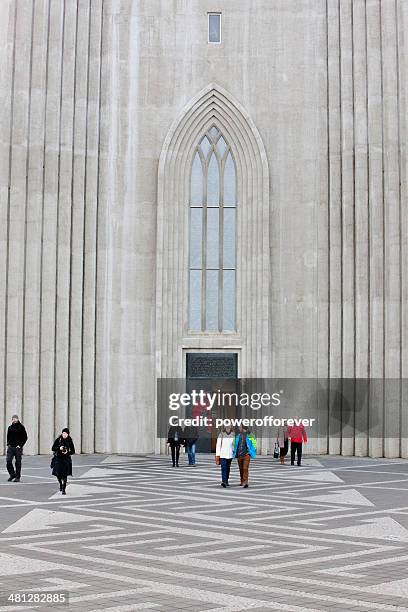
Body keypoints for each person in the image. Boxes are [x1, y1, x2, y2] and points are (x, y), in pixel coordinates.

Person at [51, 428, 75, 494]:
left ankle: (64, 489)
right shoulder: (58, 440)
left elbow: (73, 451)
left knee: (65, 475)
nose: (64, 434)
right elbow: (52, 448)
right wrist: (59, 448)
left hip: (66, 459)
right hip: (58, 459)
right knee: (58, 474)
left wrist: (67, 452)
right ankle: (60, 484)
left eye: (66, 433)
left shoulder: (70, 440)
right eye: (63, 433)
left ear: (68, 434)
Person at [6, 415, 28, 482]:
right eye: (13, 419)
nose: (14, 420)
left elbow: (25, 437)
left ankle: (17, 477)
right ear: (12, 420)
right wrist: (8, 444)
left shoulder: (21, 427)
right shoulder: (10, 427)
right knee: (8, 461)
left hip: (18, 448)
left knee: (18, 462)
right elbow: (8, 436)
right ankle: (12, 474)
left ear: (18, 419)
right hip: (11, 447)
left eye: (15, 419)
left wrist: (20, 445)